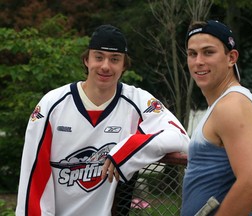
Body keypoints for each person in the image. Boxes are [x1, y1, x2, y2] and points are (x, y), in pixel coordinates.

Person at [16, 24, 189, 216]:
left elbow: (181, 138)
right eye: (98, 57)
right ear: (86, 60)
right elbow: (33, 180)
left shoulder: (138, 101)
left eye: (115, 59)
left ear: (124, 65)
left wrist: (127, 151)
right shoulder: (52, 105)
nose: (105, 66)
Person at [181, 20, 252, 216]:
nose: (198, 61)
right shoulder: (226, 104)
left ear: (231, 57)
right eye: (192, 54)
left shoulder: (232, 106)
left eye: (208, 52)